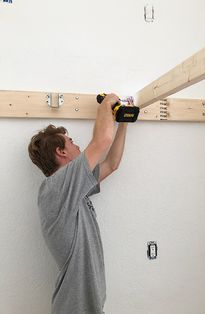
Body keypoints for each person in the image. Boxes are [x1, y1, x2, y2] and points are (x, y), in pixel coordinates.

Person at [28, 93, 128, 314]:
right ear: (61, 152)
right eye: (71, 142)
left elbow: (111, 164)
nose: (77, 145)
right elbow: (101, 141)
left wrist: (123, 122)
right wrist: (107, 103)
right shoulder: (55, 189)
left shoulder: (73, 189)